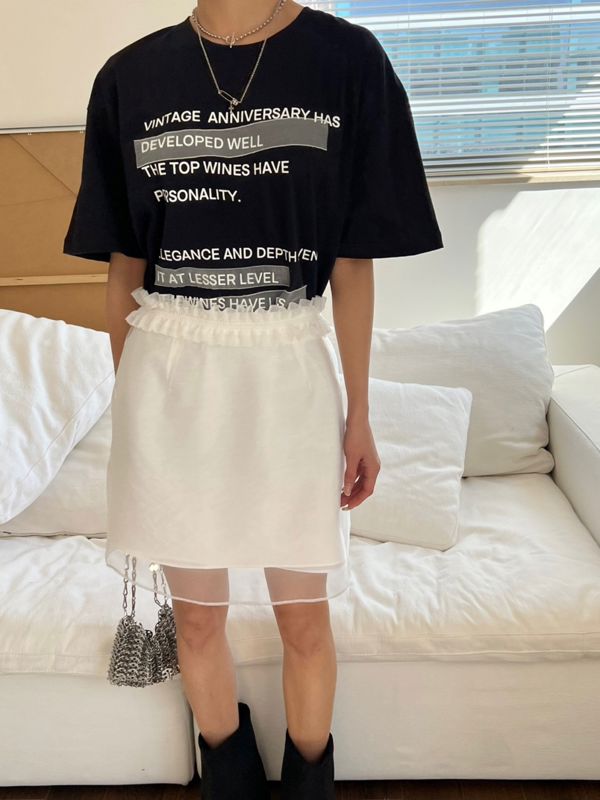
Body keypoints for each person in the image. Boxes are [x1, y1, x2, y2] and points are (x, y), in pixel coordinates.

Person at [63, 1, 444, 797]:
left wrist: (361, 413)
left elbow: (352, 261)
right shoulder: (131, 77)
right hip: (169, 378)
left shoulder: (348, 61)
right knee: (199, 618)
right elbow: (125, 266)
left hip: (287, 370)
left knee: (302, 617)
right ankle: (228, 774)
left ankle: (309, 782)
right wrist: (131, 405)